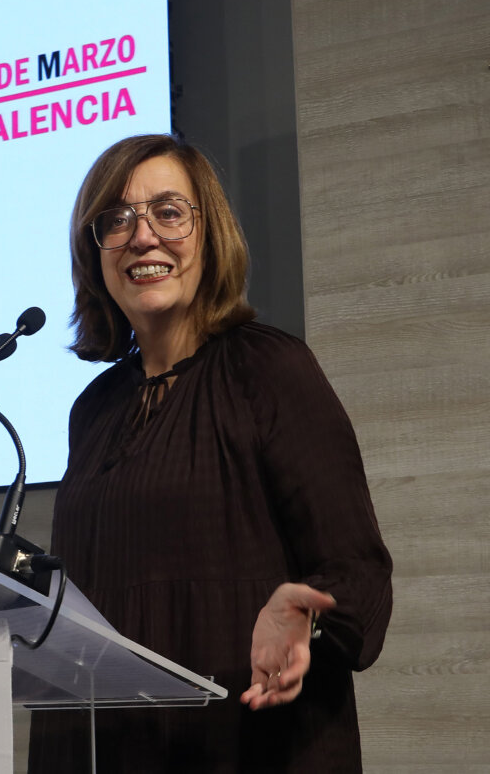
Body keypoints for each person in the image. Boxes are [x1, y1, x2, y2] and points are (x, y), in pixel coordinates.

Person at [27, 134, 392, 772]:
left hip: (246, 743)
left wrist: (301, 614)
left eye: (168, 212)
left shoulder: (269, 370)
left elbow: (357, 567)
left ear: (210, 234)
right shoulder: (94, 408)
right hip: (111, 746)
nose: (143, 237)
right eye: (116, 220)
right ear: (95, 252)